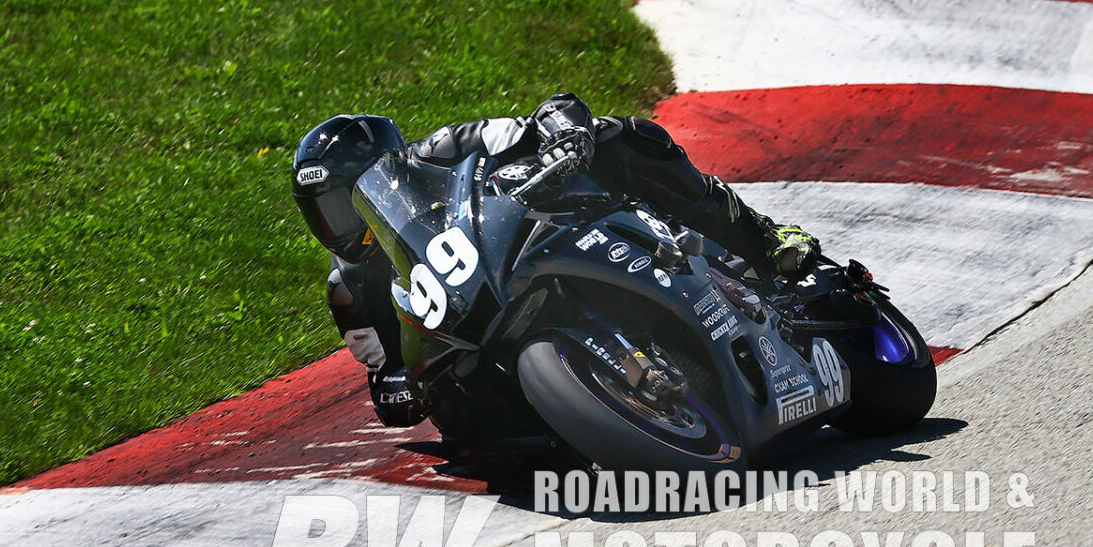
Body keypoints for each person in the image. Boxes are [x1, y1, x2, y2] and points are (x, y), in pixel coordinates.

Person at [290, 93, 825, 428]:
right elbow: (387, 392)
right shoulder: (351, 291)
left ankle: (764, 239)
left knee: (623, 137)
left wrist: (564, 133)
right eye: (327, 211)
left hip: (525, 262)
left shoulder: (437, 152)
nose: (344, 225)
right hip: (481, 372)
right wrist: (404, 384)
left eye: (348, 202)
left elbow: (537, 116)